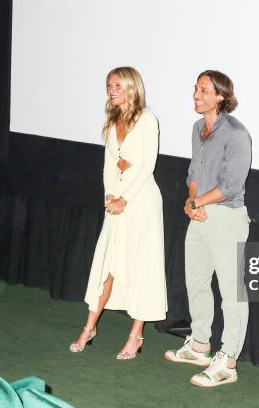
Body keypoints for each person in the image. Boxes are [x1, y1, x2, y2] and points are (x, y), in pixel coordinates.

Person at [70, 66, 167, 359]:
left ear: (131, 88)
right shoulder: (113, 120)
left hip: (142, 202)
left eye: (117, 86)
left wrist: (124, 198)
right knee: (106, 263)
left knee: (142, 266)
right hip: (117, 202)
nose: (111, 90)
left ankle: (135, 336)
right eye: (109, 85)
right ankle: (89, 328)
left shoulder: (148, 120)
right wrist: (110, 195)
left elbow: (147, 165)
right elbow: (109, 164)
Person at [165, 70, 252, 387]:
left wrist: (199, 201)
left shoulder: (236, 133)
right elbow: (193, 172)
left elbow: (232, 185)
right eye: (195, 89)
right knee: (196, 281)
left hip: (227, 218)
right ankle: (200, 345)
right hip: (200, 214)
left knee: (233, 294)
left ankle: (228, 362)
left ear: (220, 95)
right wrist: (192, 202)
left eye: (203, 90)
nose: (196, 95)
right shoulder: (197, 128)